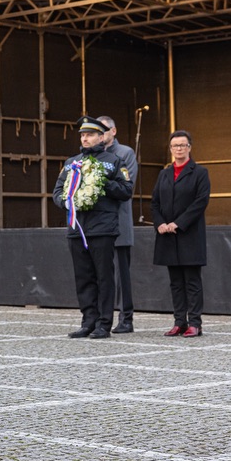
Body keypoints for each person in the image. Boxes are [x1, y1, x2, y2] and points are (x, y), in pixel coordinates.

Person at [52, 116, 133, 340]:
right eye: (82, 135)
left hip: (103, 228)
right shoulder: (72, 162)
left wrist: (102, 181)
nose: (85, 138)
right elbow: (57, 191)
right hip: (77, 227)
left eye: (89, 135)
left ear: (101, 137)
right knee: (83, 277)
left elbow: (126, 190)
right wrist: (66, 202)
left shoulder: (114, 161)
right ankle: (88, 321)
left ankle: (103, 323)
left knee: (104, 277)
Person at [152, 130, 211, 337]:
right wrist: (160, 223)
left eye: (182, 145)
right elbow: (155, 202)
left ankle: (195, 323)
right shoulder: (164, 174)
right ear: (170, 149)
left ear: (189, 147)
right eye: (175, 145)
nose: (179, 149)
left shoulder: (200, 172)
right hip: (168, 236)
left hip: (190, 235)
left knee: (192, 282)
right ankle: (180, 322)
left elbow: (200, 202)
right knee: (176, 282)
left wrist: (178, 223)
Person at [98, 115, 138, 333]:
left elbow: (126, 187)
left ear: (114, 131)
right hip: (97, 224)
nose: (100, 134)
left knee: (121, 276)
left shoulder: (125, 153)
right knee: (100, 274)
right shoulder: (91, 156)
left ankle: (126, 319)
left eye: (104, 130)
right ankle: (100, 318)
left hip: (119, 223)